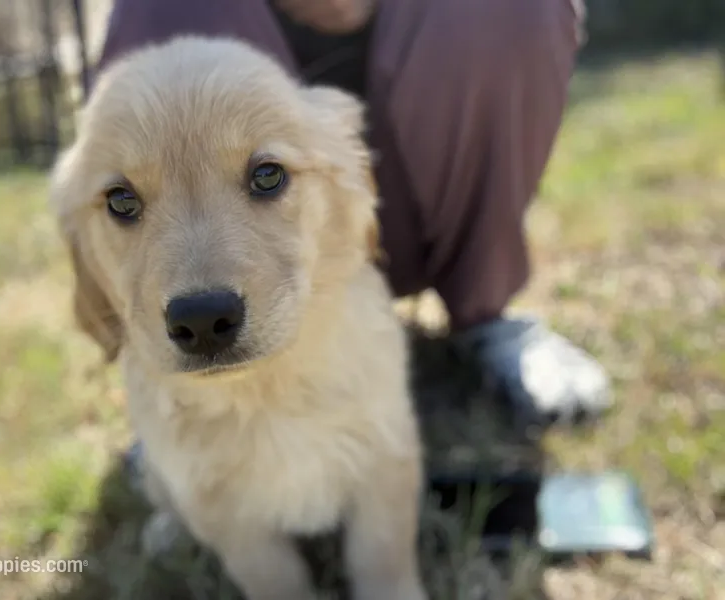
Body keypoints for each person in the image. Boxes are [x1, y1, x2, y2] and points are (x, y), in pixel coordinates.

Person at [90, 0, 610, 429]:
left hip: (412, 223)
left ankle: (485, 314)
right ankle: (176, 403)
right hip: (261, 267)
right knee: (156, 13)